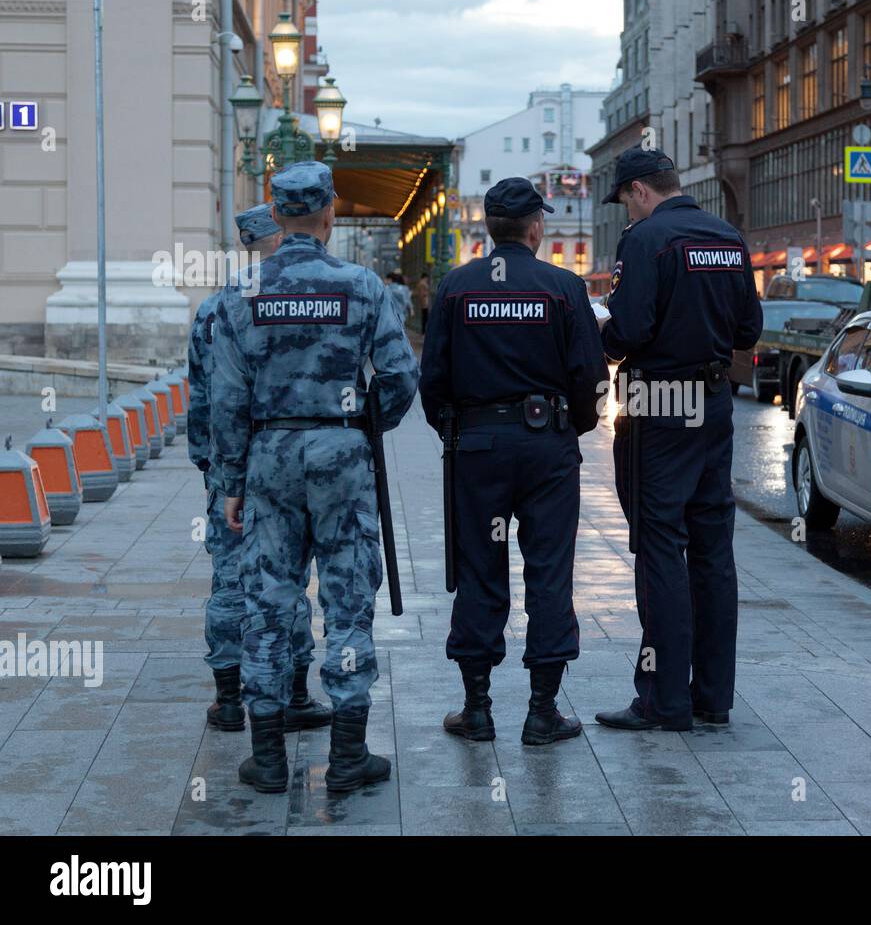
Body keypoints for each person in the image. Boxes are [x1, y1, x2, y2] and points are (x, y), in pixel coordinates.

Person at [210, 162, 418, 794]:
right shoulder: (362, 285)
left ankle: (268, 755)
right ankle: (349, 755)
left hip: (269, 454)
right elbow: (402, 377)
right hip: (340, 453)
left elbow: (224, 399)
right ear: (330, 212)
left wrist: (231, 482)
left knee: (270, 601)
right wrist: (360, 427)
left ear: (274, 215)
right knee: (349, 601)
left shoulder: (240, 292)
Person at [419, 176, 605, 746]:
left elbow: (433, 380)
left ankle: (477, 709)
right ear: (535, 227)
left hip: (478, 450)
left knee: (480, 569)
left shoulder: (456, 287)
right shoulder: (563, 287)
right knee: (549, 571)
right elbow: (591, 381)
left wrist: (461, 429)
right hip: (547, 448)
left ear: (487, 230)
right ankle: (542, 711)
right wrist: (567, 427)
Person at [595, 147, 762, 731]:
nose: (626, 214)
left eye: (624, 202)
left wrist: (601, 333)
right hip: (714, 404)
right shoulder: (728, 237)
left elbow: (630, 332)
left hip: (657, 406)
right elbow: (749, 329)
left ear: (641, 191)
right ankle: (712, 698)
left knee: (660, 546)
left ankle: (663, 699)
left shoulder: (645, 242)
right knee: (713, 549)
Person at [187, 203, 331, 735]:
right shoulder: (319, 292)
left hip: (234, 466)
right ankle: (292, 693)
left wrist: (218, 470)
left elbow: (203, 399)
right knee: (288, 579)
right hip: (294, 462)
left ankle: (229, 700)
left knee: (230, 578)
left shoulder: (215, 306)